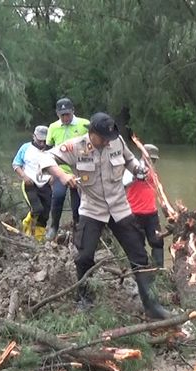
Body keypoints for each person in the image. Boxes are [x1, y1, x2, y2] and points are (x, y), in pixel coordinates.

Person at [42, 112, 171, 319]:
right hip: (92, 209)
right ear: (92, 133)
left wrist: (138, 170)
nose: (106, 142)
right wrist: (62, 175)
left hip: (119, 207)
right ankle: (85, 300)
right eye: (102, 138)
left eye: (109, 138)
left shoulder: (116, 141)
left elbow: (129, 160)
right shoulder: (75, 146)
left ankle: (151, 305)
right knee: (84, 256)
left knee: (139, 255)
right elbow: (46, 157)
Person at [45, 97, 90, 240]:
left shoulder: (84, 124)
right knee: (57, 196)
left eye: (67, 114)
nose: (65, 118)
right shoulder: (53, 127)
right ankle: (54, 226)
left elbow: (92, 145)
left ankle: (78, 228)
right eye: (62, 115)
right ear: (57, 114)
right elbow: (47, 150)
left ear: (73, 112)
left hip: (80, 170)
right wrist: (50, 173)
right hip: (61, 170)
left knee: (78, 202)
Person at [122, 144, 164, 267]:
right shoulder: (133, 168)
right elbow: (124, 183)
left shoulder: (153, 171)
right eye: (151, 158)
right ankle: (140, 270)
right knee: (137, 244)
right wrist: (136, 176)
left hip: (152, 213)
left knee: (157, 241)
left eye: (154, 159)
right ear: (144, 155)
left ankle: (159, 269)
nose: (153, 161)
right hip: (135, 213)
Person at [12, 125, 52, 241]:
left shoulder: (50, 150)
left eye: (44, 141)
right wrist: (24, 176)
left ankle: (39, 239)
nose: (42, 143)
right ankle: (26, 226)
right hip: (30, 184)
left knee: (44, 214)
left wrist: (53, 177)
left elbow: (57, 166)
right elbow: (16, 164)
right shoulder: (25, 148)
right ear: (34, 137)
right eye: (40, 140)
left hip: (46, 185)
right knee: (37, 209)